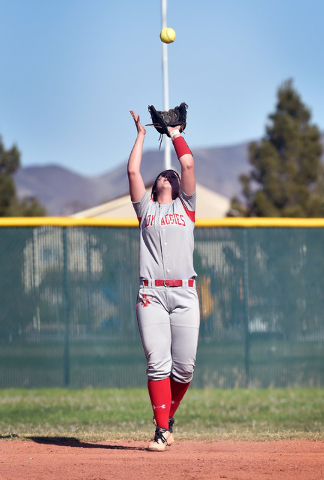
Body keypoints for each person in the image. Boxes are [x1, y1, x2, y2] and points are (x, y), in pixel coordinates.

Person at [128, 109, 200, 452]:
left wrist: (173, 133)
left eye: (171, 176)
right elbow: (132, 170)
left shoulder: (187, 206)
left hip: (185, 295)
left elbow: (187, 165)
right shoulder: (145, 209)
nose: (169, 176)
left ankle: (167, 419)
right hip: (151, 294)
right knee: (158, 362)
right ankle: (160, 430)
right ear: (156, 185)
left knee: (184, 370)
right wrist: (142, 134)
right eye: (163, 175)